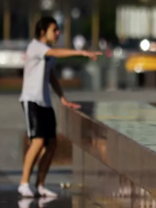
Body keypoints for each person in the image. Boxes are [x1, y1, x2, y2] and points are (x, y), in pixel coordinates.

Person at [19, 17, 100, 198]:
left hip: (45, 102)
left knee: (52, 144)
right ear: (42, 32)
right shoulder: (36, 47)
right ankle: (24, 183)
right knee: (38, 142)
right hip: (31, 100)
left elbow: (52, 78)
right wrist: (81, 53)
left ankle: (40, 185)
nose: (58, 33)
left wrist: (63, 98)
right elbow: (56, 52)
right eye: (54, 30)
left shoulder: (49, 53)